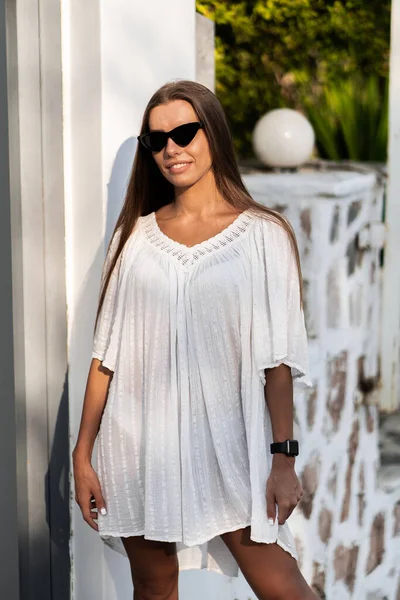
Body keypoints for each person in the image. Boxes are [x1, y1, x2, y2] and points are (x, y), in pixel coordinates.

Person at [72, 80, 318, 600]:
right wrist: (83, 453)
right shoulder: (134, 237)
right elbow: (105, 357)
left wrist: (283, 459)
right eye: (156, 140)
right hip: (137, 444)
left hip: (230, 444)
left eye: (185, 132)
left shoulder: (262, 235)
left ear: (214, 134)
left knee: (285, 590)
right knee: (155, 589)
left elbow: (277, 362)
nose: (171, 149)